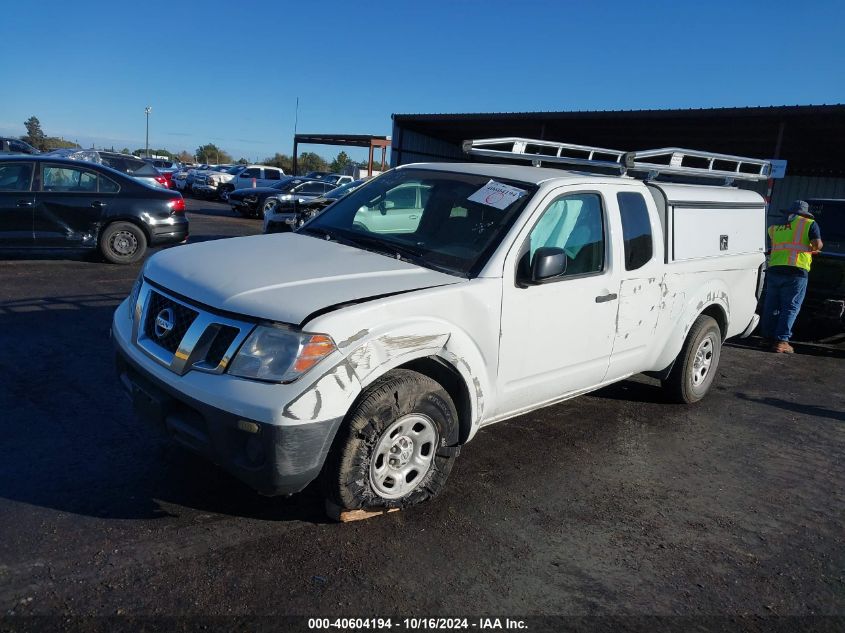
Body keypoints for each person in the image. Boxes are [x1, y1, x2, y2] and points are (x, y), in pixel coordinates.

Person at [760, 200, 823, 353]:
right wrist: (814, 248)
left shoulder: (774, 227)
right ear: (805, 213)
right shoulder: (809, 224)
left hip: (775, 269)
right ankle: (781, 341)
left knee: (771, 306)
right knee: (790, 307)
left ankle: (766, 338)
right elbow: (817, 244)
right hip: (796, 271)